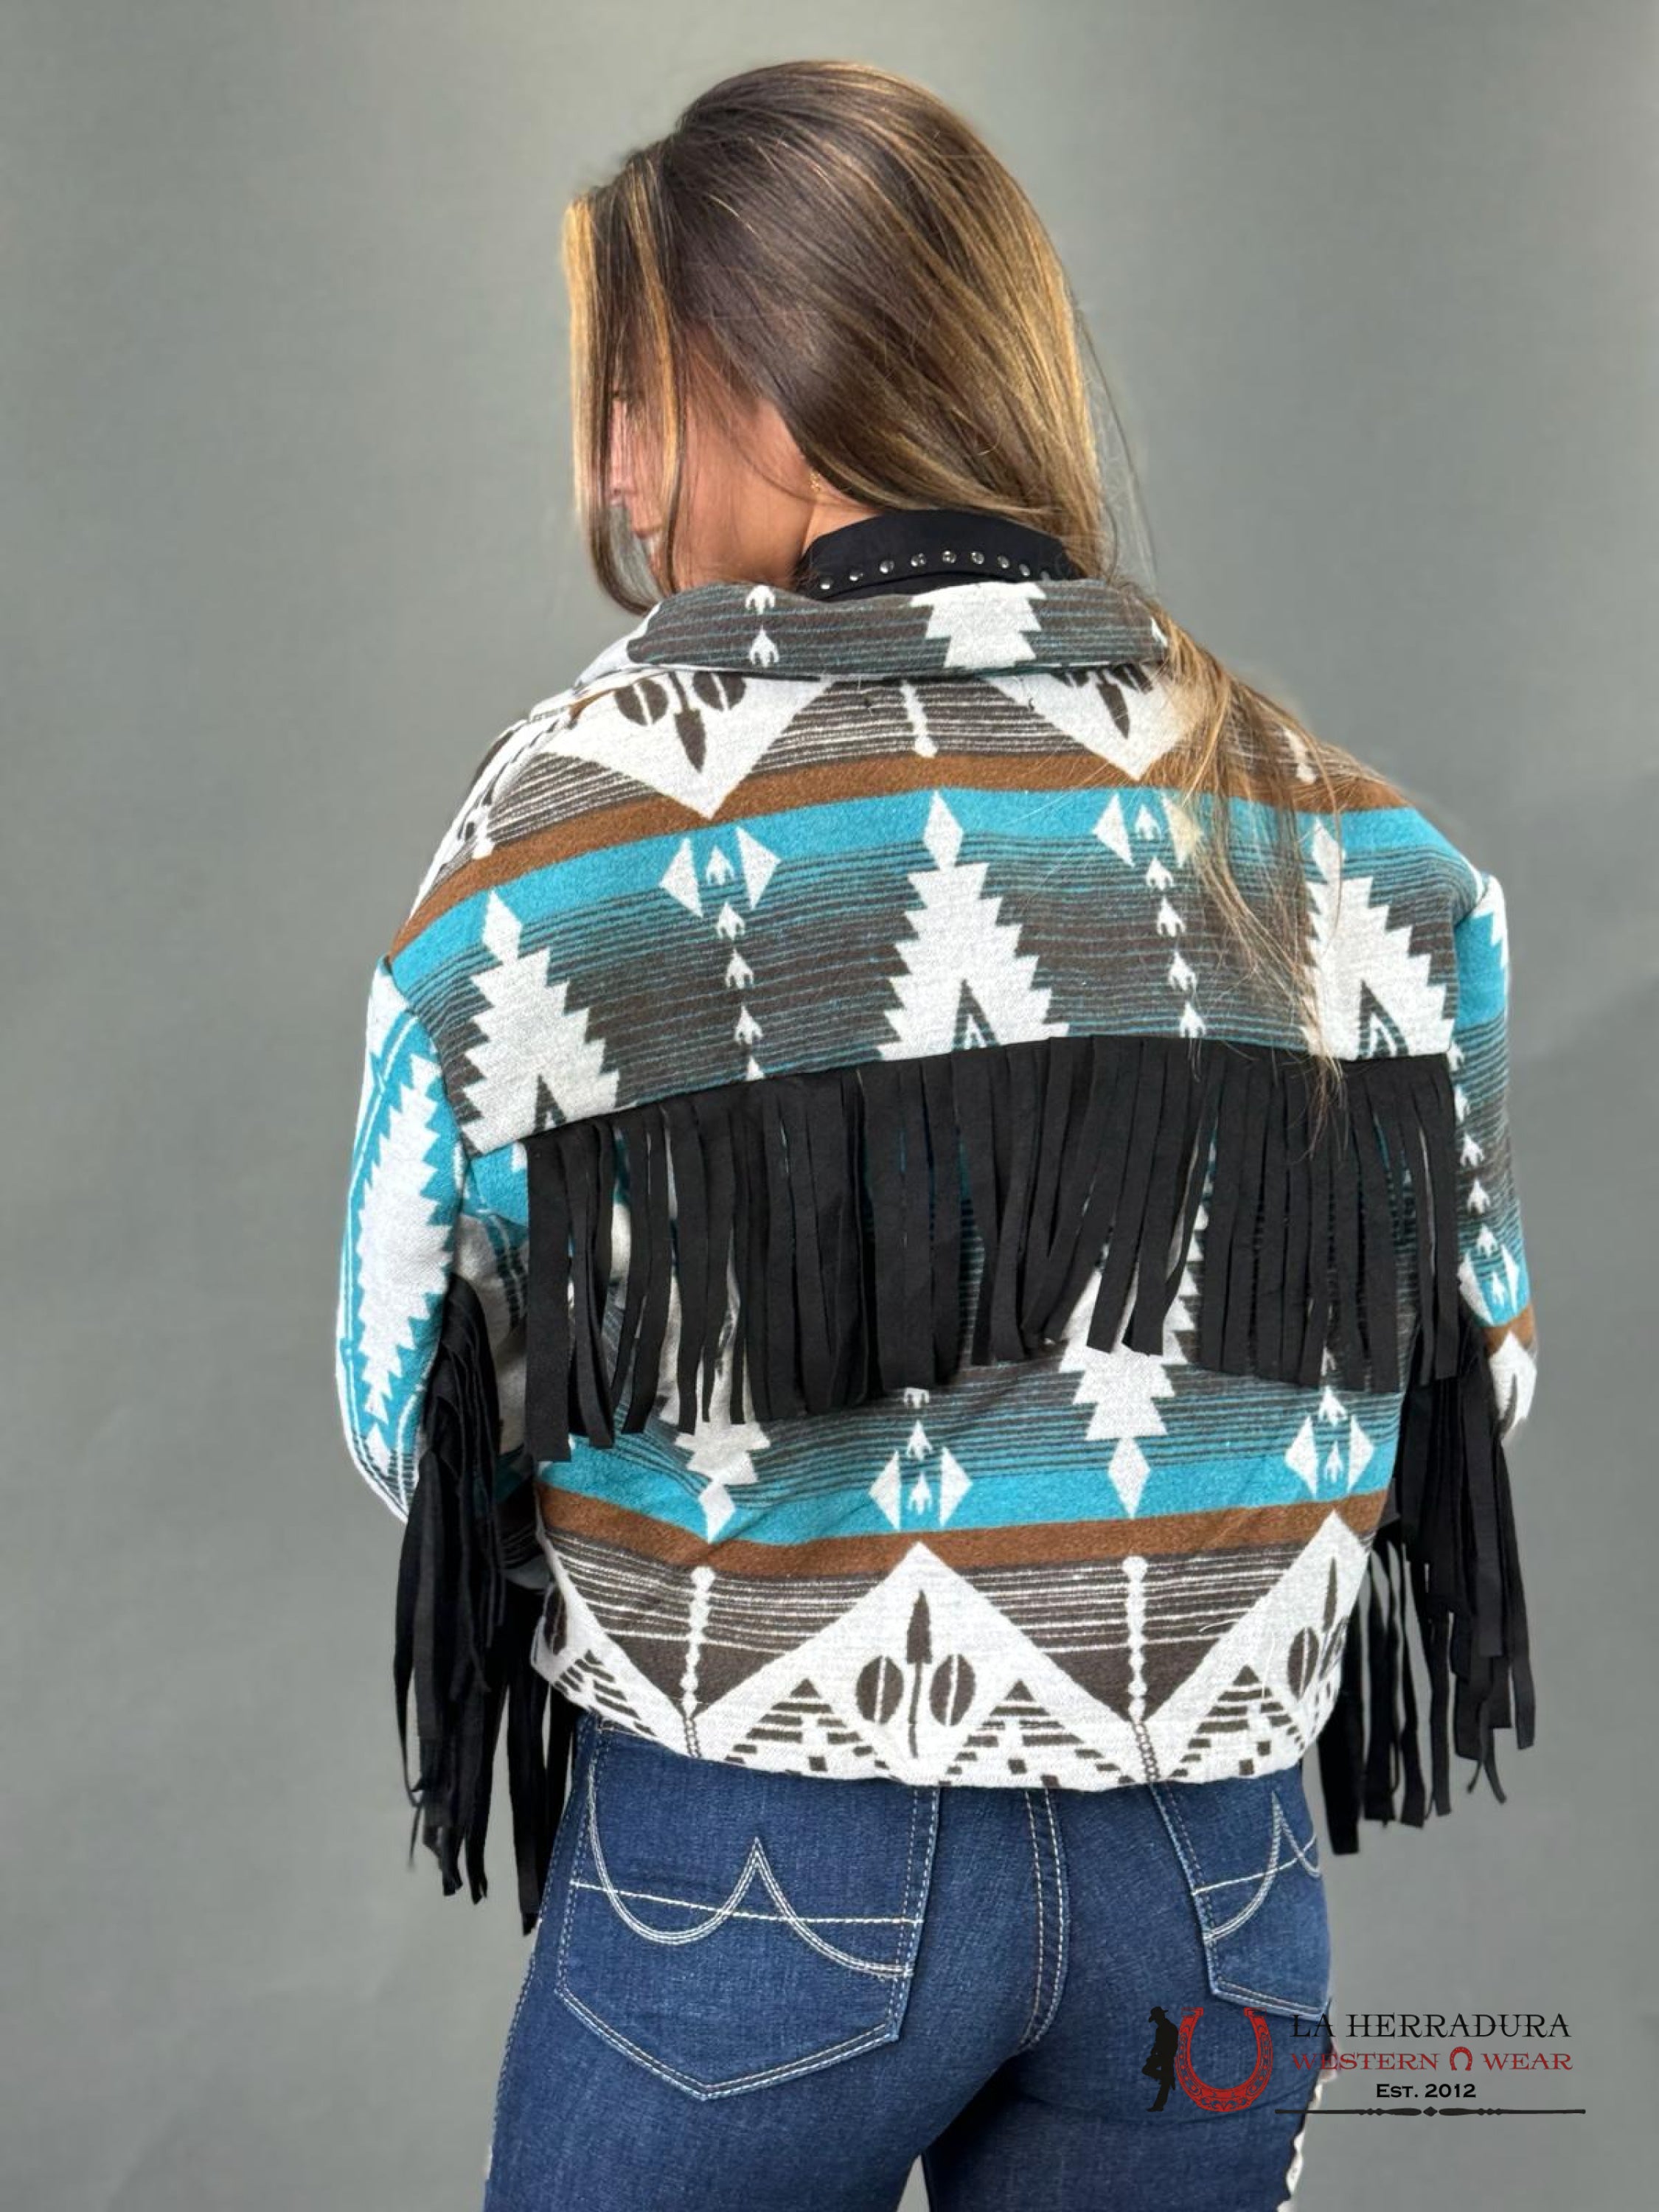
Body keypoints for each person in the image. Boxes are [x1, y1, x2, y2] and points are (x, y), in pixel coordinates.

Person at [333, 58, 1538, 2212]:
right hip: (1216, 1870)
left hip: (760, 1861)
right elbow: (1477, 1371)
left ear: (763, 391)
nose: (615, 475)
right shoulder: (1341, 834)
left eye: (634, 401)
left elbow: (403, 1389)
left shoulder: (569, 829)